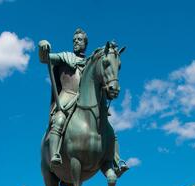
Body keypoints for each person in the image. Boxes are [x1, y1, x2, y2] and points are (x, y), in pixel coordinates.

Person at [39, 29, 128, 176]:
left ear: (85, 43)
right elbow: (45, 58)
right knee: (59, 119)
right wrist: (43, 47)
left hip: (85, 97)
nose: (76, 42)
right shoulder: (65, 56)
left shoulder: (90, 61)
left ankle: (117, 161)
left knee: (108, 126)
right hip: (68, 95)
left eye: (79, 40)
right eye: (74, 40)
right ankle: (55, 154)